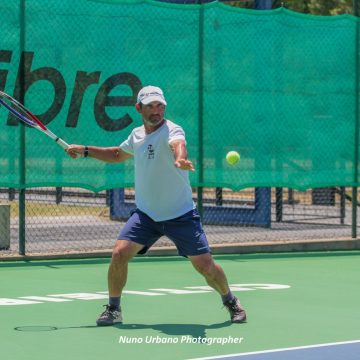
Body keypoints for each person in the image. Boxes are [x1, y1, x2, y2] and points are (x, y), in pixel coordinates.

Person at [66, 85, 246, 326]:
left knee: (205, 266)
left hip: (180, 215)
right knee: (119, 253)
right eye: (150, 106)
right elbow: (118, 154)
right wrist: (86, 150)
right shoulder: (137, 134)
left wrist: (180, 159)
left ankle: (230, 301)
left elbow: (178, 144)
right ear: (138, 108)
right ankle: (113, 309)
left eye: (160, 105)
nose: (156, 110)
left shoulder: (173, 130)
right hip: (147, 216)